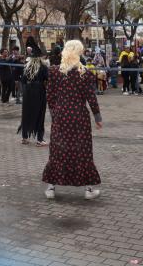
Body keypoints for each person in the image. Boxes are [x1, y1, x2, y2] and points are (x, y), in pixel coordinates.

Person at [42, 40, 102, 200]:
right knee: (82, 151)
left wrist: (54, 112)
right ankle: (88, 190)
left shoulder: (54, 71)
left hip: (61, 116)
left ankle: (51, 188)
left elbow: (50, 95)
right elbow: (91, 97)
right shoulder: (85, 73)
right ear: (79, 53)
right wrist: (97, 117)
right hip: (79, 117)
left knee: (57, 150)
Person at [20, 37, 49, 146]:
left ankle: (24, 137)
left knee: (26, 113)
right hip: (39, 92)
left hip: (27, 91)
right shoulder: (43, 67)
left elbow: (22, 80)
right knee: (40, 114)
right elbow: (48, 79)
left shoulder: (26, 67)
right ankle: (39, 139)